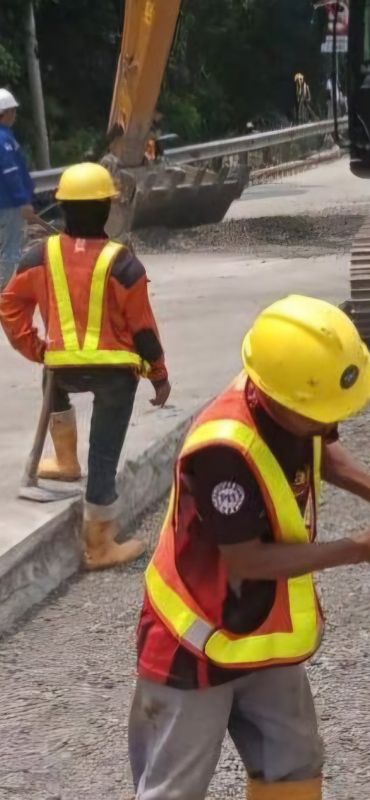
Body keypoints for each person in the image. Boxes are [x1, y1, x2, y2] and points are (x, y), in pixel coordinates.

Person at [129, 295, 370, 800]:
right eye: (318, 414)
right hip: (194, 639)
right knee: (173, 787)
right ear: (280, 400)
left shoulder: (290, 392)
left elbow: (319, 443)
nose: (328, 423)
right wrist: (360, 547)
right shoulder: (224, 450)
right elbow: (246, 560)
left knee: (294, 762)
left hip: (260, 631)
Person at [0, 163, 170, 568]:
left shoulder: (40, 255)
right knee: (104, 456)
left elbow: (9, 305)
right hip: (115, 372)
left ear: (62, 209)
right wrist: (159, 376)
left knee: (51, 376)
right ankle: (98, 546)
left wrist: (35, 348)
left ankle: (63, 460)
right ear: (108, 209)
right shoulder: (123, 263)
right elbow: (142, 329)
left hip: (62, 368)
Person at [0, 88, 37, 288]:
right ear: (4, 113)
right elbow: (11, 172)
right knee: (11, 250)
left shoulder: (5, 136)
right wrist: (23, 200)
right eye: (13, 111)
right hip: (9, 204)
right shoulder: (3, 139)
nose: (15, 115)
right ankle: (5, 292)